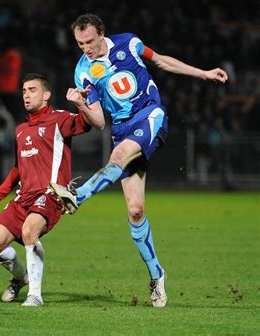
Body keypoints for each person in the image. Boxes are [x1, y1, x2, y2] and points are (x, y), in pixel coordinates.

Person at [49, 13, 228, 308]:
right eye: (80, 43)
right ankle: (157, 276)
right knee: (135, 210)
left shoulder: (129, 43)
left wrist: (204, 73)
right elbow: (98, 122)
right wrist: (81, 103)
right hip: (122, 131)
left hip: (150, 116)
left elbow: (161, 60)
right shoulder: (83, 71)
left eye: (90, 41)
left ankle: (78, 196)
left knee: (117, 157)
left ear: (101, 34)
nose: (86, 48)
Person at [0, 73, 103, 307]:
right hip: (23, 198)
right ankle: (21, 278)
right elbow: (17, 169)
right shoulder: (21, 129)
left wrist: (82, 103)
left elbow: (88, 124)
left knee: (29, 231)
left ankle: (35, 295)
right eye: (24, 90)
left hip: (51, 194)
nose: (26, 94)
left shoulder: (60, 119)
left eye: (32, 90)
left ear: (46, 95)